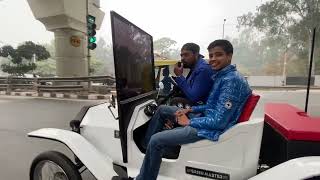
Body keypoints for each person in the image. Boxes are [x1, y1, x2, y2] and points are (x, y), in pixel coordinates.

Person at [125, 40, 252, 180]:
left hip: (209, 129)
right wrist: (190, 109)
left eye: (219, 55)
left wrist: (189, 122)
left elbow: (219, 122)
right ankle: (148, 147)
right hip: (206, 119)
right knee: (162, 110)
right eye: (211, 55)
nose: (213, 59)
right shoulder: (224, 76)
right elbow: (212, 106)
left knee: (156, 140)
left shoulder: (230, 81)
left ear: (229, 56)